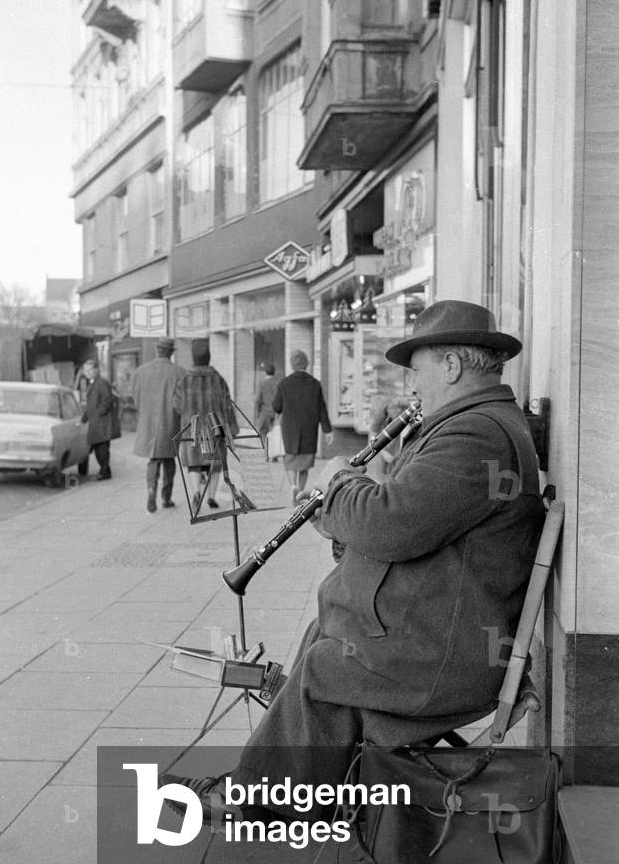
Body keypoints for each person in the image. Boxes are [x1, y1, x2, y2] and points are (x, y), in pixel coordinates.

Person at [163, 300, 546, 822]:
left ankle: (254, 800)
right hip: (440, 632)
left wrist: (343, 481)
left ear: (452, 367)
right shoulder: (474, 424)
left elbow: (390, 523)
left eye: (420, 369)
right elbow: (412, 524)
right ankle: (293, 783)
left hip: (446, 656)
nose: (413, 384)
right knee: (325, 632)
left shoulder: (475, 434)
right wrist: (340, 521)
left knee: (326, 666)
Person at [174, 338, 238, 511]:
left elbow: (177, 405)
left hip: (193, 429)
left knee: (194, 463)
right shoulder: (218, 379)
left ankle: (196, 493)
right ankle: (210, 498)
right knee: (215, 463)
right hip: (214, 429)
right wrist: (232, 429)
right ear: (208, 357)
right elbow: (227, 405)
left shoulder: (185, 380)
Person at [132, 336, 185, 513]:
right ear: (171, 353)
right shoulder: (180, 372)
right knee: (169, 460)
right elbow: (182, 403)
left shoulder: (140, 371)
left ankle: (151, 491)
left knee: (153, 460)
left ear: (156, 350)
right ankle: (166, 497)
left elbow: (135, 399)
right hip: (170, 423)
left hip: (148, 423)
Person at [273, 349, 333, 503]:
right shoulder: (315, 384)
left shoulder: (284, 383)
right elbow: (322, 409)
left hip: (290, 430)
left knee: (291, 460)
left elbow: (276, 406)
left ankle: (293, 486)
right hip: (309, 429)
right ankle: (300, 491)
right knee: (305, 463)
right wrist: (328, 431)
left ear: (292, 364)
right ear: (306, 364)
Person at [80, 359, 115, 480]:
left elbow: (108, 400)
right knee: (98, 447)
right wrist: (84, 418)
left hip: (101, 422)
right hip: (96, 421)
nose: (88, 372)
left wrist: (98, 413)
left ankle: (105, 472)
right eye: (86, 370)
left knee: (102, 448)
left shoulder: (101, 382)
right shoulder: (91, 383)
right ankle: (105, 470)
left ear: (96, 370)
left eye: (90, 370)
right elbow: (89, 403)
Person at [254, 363, 280, 448]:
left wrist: (256, 414)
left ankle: (267, 450)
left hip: (265, 412)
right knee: (274, 432)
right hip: (276, 412)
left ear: (265, 372)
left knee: (263, 431)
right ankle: (274, 452)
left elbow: (258, 399)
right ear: (274, 373)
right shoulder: (278, 383)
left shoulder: (262, 383)